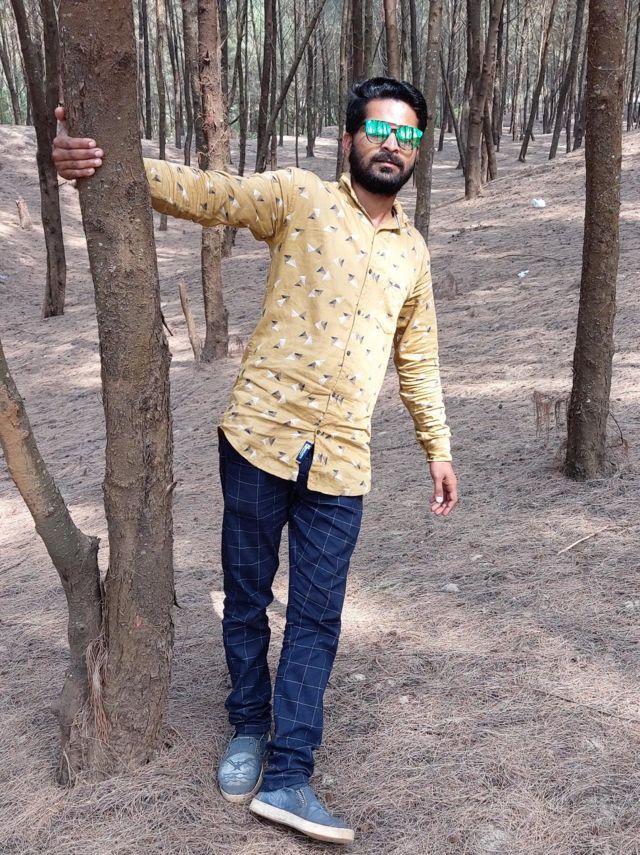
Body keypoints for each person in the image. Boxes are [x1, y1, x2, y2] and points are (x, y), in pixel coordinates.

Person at [53, 77, 458, 845]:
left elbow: (419, 358)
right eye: (379, 130)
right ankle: (248, 725)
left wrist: (438, 447)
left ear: (418, 150)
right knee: (245, 595)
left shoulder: (413, 253)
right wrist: (103, 161)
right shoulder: (300, 198)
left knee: (316, 615)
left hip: (342, 464)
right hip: (257, 440)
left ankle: (289, 772)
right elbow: (211, 195)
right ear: (350, 139)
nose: (392, 145)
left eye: (407, 136)